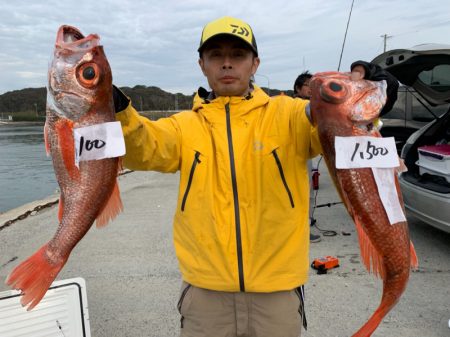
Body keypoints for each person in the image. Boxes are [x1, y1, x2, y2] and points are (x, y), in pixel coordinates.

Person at [113, 16, 398, 337]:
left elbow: (338, 125)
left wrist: (373, 93)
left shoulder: (290, 113)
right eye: (215, 55)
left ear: (255, 63)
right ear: (202, 65)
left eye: (237, 55)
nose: (226, 63)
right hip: (205, 292)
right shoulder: (183, 125)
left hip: (278, 292)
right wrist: (117, 108)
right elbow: (143, 147)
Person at [293, 71, 321, 243]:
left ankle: (306, 225)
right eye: (308, 86)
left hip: (307, 153)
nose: (312, 90)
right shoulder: (296, 106)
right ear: (297, 88)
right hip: (297, 156)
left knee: (308, 192)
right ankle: (303, 230)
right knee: (302, 193)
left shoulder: (313, 104)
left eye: (314, 86)